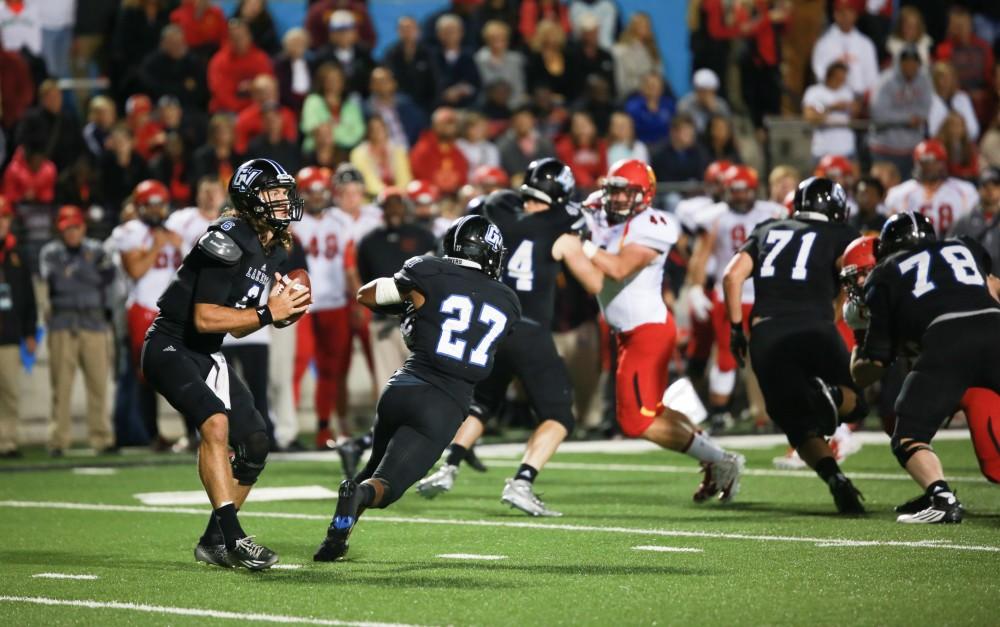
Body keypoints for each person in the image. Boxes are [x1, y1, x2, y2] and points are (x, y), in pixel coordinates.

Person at [314, 215, 520, 561]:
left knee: (372, 471)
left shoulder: (426, 270)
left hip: (402, 386)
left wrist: (409, 303)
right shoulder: (508, 301)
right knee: (386, 487)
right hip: (445, 401)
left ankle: (335, 541)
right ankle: (356, 499)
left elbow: (366, 295)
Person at [142, 158, 309, 569]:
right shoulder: (228, 237)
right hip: (172, 344)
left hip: (207, 352)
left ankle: (213, 541)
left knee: (256, 442)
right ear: (251, 199)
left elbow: (235, 327)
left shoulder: (273, 246)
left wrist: (283, 311)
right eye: (273, 192)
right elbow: (204, 317)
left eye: (285, 191)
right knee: (215, 422)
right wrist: (270, 313)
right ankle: (235, 537)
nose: (284, 200)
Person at [555, 159, 746, 500]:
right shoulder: (599, 208)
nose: (617, 200)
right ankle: (715, 457)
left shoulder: (654, 225)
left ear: (646, 196)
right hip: (630, 331)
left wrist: (579, 242)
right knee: (652, 410)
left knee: (635, 422)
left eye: (627, 194)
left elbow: (616, 268)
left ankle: (721, 461)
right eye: (614, 192)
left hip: (647, 332)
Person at [417, 158, 580, 516]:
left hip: (494, 323)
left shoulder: (499, 211)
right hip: (531, 328)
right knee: (559, 415)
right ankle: (523, 481)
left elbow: (490, 206)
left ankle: (449, 465)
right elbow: (588, 274)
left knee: (483, 402)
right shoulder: (560, 224)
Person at [722, 177, 867, 513]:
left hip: (766, 334)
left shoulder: (767, 228)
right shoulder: (843, 234)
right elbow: (855, 274)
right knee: (856, 405)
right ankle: (828, 396)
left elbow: (732, 277)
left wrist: (734, 329)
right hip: (815, 328)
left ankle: (836, 479)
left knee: (798, 426)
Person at [849, 211, 1000, 523]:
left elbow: (871, 368)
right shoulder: (964, 246)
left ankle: (941, 497)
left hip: (948, 343)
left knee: (908, 434)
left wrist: (859, 336)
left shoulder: (886, 273)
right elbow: (992, 284)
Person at [685, 164, 783, 430]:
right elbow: (701, 254)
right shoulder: (713, 216)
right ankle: (719, 411)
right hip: (730, 294)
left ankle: (777, 411)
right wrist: (695, 286)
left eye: (744, 191)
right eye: (735, 192)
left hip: (766, 294)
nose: (740, 197)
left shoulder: (774, 212)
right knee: (727, 357)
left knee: (775, 356)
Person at [109, 180, 182, 448]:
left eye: (160, 204)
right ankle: (151, 434)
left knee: (184, 371)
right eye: (151, 205)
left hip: (173, 310)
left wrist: (177, 244)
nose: (157, 210)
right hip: (144, 308)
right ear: (139, 207)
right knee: (147, 375)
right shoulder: (130, 231)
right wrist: (156, 247)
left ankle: (193, 433)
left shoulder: (174, 231)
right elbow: (136, 271)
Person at [39, 205, 116, 457]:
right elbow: (56, 281)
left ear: (83, 227)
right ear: (60, 230)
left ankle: (102, 438)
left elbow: (108, 277)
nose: (71, 233)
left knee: (99, 386)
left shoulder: (96, 248)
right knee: (60, 387)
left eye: (75, 227)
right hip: (63, 325)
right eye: (66, 228)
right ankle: (58, 441)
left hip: (94, 324)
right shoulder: (50, 251)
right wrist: (88, 271)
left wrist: (74, 272)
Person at [354, 187, 437, 388]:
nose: (393, 210)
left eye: (396, 205)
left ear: (405, 207)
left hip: (418, 317)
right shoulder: (369, 241)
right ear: (381, 209)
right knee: (387, 382)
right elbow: (366, 279)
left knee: (422, 380)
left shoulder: (423, 236)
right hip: (383, 320)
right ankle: (392, 420)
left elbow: (434, 274)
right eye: (388, 206)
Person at [0, 196, 37, 458]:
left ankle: (8, 441)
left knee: (10, 391)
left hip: (9, 334)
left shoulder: (17, 255)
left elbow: (29, 295)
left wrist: (29, 330)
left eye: (4, 218)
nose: (1, 223)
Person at [883, 139, 979, 238]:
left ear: (943, 163)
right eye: (925, 163)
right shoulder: (899, 193)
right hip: (915, 248)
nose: (929, 167)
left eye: (934, 162)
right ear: (917, 164)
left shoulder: (965, 190)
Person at [867, 46, 933, 181]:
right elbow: (878, 113)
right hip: (885, 148)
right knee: (884, 187)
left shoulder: (924, 81)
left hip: (912, 149)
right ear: (899, 63)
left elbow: (926, 108)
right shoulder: (885, 81)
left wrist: (915, 118)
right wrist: (907, 119)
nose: (910, 65)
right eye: (906, 61)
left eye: (913, 62)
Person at [810, 0, 878, 101]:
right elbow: (820, 74)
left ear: (855, 14)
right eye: (840, 12)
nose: (845, 16)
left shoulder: (866, 44)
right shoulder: (823, 43)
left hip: (860, 101)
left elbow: (872, 79)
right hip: (831, 99)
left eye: (849, 12)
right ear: (834, 14)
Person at [802, 61, 858, 162]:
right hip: (823, 149)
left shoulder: (848, 92)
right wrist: (832, 108)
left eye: (844, 77)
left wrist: (853, 107)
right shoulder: (814, 92)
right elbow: (810, 117)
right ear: (830, 75)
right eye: (838, 77)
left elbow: (855, 115)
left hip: (846, 148)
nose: (842, 80)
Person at [949, 168, 1000, 271]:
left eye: (995, 185)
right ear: (978, 189)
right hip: (975, 281)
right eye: (985, 186)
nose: (990, 190)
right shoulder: (964, 220)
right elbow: (949, 250)